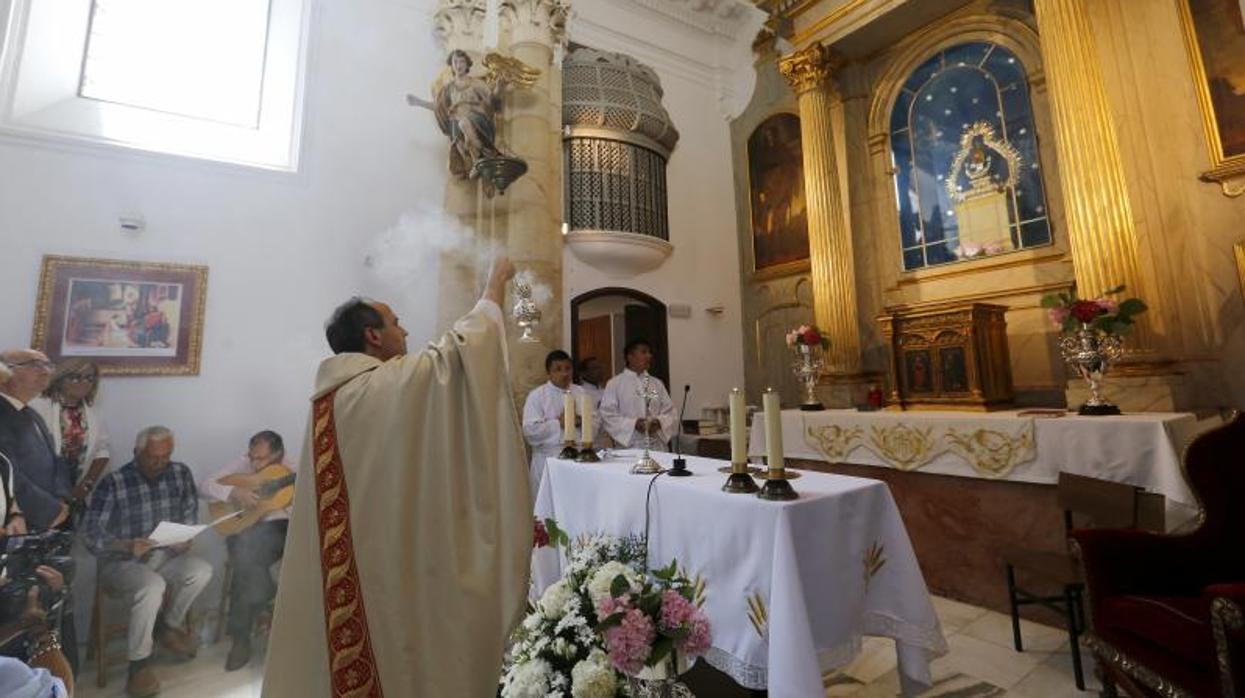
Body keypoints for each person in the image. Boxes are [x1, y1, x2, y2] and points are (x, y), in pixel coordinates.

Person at [263, 257, 531, 698]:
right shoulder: (379, 386)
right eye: (396, 322)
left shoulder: (333, 398)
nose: (405, 332)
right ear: (372, 335)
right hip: (385, 564)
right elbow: (462, 351)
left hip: (364, 554)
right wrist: (495, 283)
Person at [81, 426, 212, 698]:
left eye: (166, 456)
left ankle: (167, 626)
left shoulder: (180, 473)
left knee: (201, 570)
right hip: (122, 564)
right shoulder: (114, 482)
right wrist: (127, 545)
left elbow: (188, 513)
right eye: (153, 457)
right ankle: (138, 664)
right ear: (136, 453)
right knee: (152, 586)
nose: (160, 463)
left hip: (166, 556)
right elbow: (91, 536)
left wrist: (184, 537)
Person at [198, 430, 295, 671]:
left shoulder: (291, 470)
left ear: (277, 455)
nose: (253, 463)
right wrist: (234, 492)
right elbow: (204, 486)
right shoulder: (243, 462)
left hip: (278, 531)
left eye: (260, 459)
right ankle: (265, 600)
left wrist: (277, 506)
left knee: (245, 560)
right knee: (245, 553)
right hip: (242, 529)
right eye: (251, 456)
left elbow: (301, 514)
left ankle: (240, 640)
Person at [0, 351, 73, 532]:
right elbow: (7, 472)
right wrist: (48, 509)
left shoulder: (32, 413)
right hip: (18, 522)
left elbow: (56, 461)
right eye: (35, 365)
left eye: (48, 365)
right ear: (4, 374)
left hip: (48, 518)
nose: (46, 372)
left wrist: (62, 499)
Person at [407, 49, 507, 180]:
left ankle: (480, 158)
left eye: (461, 61)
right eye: (455, 62)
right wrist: (418, 102)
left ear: (467, 65)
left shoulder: (476, 83)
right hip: (458, 129)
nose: (458, 65)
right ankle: (476, 158)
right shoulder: (448, 89)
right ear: (452, 65)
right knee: (459, 134)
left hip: (479, 123)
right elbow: (438, 108)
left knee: (463, 122)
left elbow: (492, 102)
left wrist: (499, 88)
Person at [30, 359, 111, 513]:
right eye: (76, 377)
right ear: (60, 378)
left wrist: (86, 485)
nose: (84, 382)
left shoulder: (93, 414)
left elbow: (103, 451)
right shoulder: (37, 406)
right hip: (38, 491)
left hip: (75, 494)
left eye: (89, 378)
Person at [523, 350, 591, 495]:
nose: (564, 373)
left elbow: (595, 422)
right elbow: (530, 430)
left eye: (568, 368)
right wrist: (558, 423)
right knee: (549, 509)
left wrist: (578, 422)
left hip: (577, 458)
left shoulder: (581, 393)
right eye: (558, 369)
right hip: (548, 459)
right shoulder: (537, 396)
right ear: (549, 373)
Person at [599, 339, 676, 450]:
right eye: (644, 352)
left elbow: (670, 412)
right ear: (630, 357)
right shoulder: (615, 383)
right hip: (630, 447)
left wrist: (659, 422)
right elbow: (607, 414)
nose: (649, 356)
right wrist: (633, 424)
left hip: (657, 446)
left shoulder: (657, 383)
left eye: (649, 352)